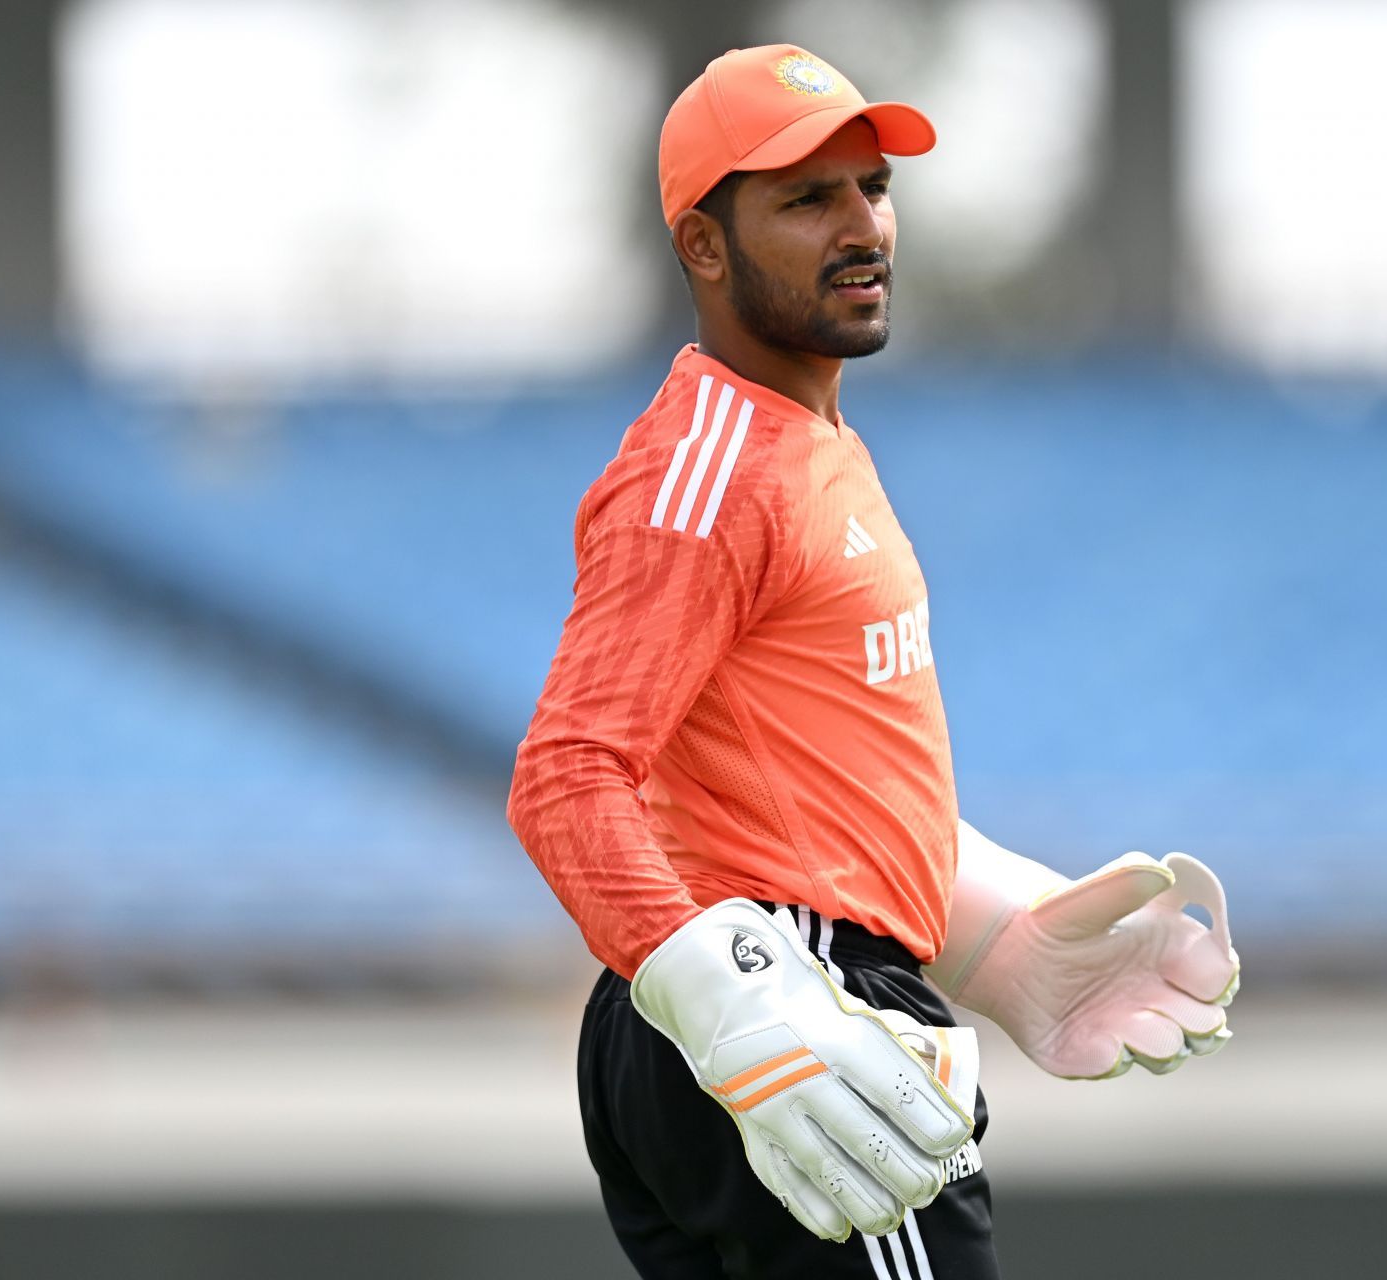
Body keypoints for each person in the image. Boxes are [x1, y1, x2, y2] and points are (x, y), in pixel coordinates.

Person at [508, 43, 1240, 1280]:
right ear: (702, 246)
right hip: (788, 998)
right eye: (806, 198)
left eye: (871, 188)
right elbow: (567, 777)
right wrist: (742, 1004)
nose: (862, 226)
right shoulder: (713, 468)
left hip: (781, 979)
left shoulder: (802, 443)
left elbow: (797, 783)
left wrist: (994, 936)